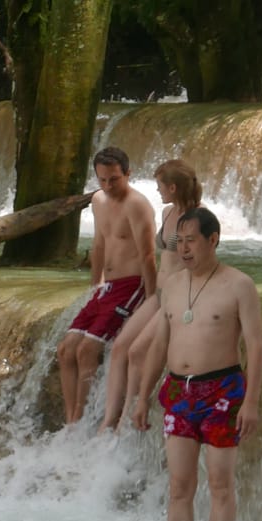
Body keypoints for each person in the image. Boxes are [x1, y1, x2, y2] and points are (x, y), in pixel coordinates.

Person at [131, 208, 262, 521]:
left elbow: (255, 346)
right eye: (180, 242)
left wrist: (250, 403)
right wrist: (142, 397)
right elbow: (159, 344)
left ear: (213, 240)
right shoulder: (172, 285)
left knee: (220, 484)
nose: (184, 249)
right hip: (177, 392)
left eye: (191, 241)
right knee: (179, 487)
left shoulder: (239, 285)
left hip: (222, 391)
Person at [53, 146, 156, 427]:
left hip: (132, 285)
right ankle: (70, 419)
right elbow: (99, 244)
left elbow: (148, 254)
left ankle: (81, 420)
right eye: (102, 180)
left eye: (114, 179)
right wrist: (94, 284)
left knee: (87, 349)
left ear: (128, 173)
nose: (108, 186)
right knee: (66, 349)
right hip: (107, 287)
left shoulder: (138, 205)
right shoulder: (98, 200)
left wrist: (152, 298)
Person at [104, 159, 201, 431]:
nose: (157, 191)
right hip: (158, 293)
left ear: (172, 186)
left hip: (177, 297)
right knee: (121, 346)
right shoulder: (168, 212)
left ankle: (128, 419)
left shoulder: (197, 218)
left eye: (160, 186)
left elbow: (200, 264)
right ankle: (108, 419)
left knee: (136, 352)